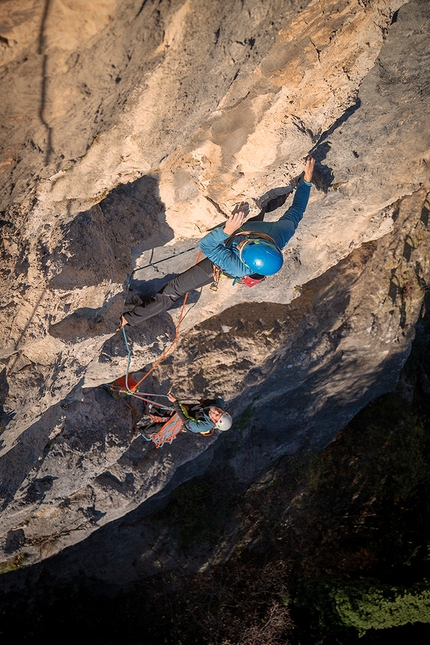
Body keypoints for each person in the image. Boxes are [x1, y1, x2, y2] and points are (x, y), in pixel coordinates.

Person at [119, 155, 315, 329]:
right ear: (261, 240)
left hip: (220, 262)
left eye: (241, 249)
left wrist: (226, 231)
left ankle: (129, 319)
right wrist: (306, 180)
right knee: (261, 207)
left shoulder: (236, 266)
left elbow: (206, 246)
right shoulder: (281, 232)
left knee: (173, 290)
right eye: (244, 243)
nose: (240, 244)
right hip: (248, 230)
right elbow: (297, 210)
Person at [137, 393, 232, 441]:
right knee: (168, 411)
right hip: (194, 411)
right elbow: (209, 400)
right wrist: (205, 401)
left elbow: (185, 420)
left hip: (186, 423)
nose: (216, 411)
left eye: (216, 415)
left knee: (164, 427)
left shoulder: (204, 426)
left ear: (214, 422)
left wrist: (176, 402)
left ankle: (140, 430)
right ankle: (150, 409)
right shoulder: (219, 403)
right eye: (220, 412)